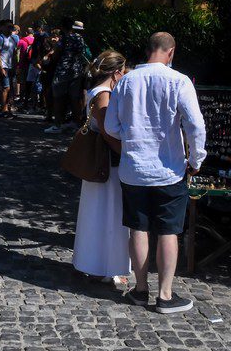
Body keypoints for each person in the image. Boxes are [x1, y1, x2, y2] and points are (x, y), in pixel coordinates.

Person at [104, 32, 207, 314]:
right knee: (168, 231)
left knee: (138, 229)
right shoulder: (179, 81)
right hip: (169, 169)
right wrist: (197, 158)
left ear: (148, 49)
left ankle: (139, 289)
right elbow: (195, 125)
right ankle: (165, 295)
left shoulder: (126, 81)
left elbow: (111, 126)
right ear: (171, 51)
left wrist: (133, 135)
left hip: (134, 169)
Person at [72, 51, 131, 283]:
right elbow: (107, 132)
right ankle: (108, 267)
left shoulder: (95, 91)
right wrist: (126, 154)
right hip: (106, 162)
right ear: (116, 73)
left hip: (99, 161)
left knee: (96, 213)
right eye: (124, 72)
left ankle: (94, 261)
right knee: (110, 214)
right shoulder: (104, 94)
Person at [47, 20, 90, 133]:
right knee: (75, 98)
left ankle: (57, 124)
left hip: (63, 71)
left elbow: (57, 54)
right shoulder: (80, 38)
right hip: (77, 71)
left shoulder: (64, 39)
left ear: (63, 27)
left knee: (58, 98)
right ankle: (77, 124)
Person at [0, 20, 18, 118]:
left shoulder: (13, 39)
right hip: (2, 66)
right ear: (3, 28)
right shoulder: (0, 38)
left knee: (9, 88)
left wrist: (16, 66)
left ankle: (7, 108)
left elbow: (14, 54)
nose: (10, 29)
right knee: (6, 88)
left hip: (10, 66)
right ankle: (3, 109)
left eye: (11, 27)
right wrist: (1, 68)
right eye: (8, 27)